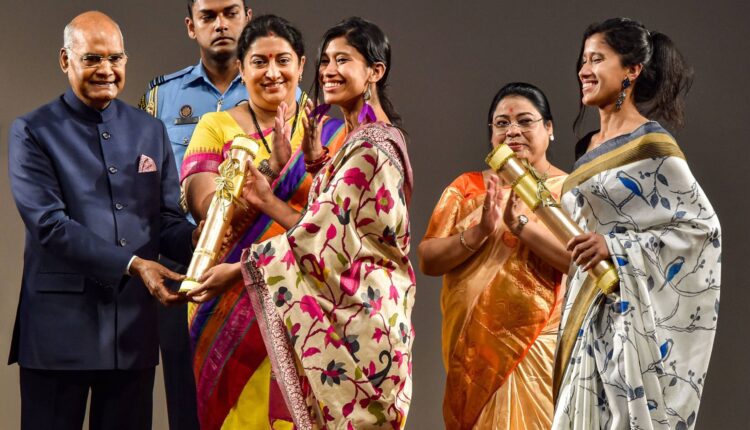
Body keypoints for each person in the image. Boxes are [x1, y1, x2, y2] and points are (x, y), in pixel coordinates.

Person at [7, 11, 198, 430]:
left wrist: (209, 236)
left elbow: (165, 221)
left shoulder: (150, 130)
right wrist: (133, 265)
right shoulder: (33, 131)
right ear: (65, 60)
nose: (107, 70)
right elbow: (50, 226)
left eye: (116, 58)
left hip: (132, 334)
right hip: (59, 335)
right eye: (92, 58)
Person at [238, 17, 415, 428]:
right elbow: (358, 221)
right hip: (369, 314)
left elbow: (321, 235)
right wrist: (318, 164)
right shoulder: (364, 140)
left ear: (375, 71)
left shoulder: (370, 148)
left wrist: (263, 202)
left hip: (364, 327)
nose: (329, 71)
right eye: (325, 61)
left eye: (343, 60)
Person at [552, 18, 721, 430]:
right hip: (583, 312)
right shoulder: (586, 149)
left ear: (632, 70)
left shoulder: (651, 145)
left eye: (597, 59)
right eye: (583, 60)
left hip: (629, 319)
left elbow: (701, 229)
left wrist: (615, 248)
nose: (584, 70)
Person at [181, 15, 346, 430]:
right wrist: (272, 170)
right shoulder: (217, 127)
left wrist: (308, 161)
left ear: (303, 64)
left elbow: (340, 223)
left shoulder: (329, 131)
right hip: (230, 295)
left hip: (310, 300)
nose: (272, 73)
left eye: (283, 60)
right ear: (241, 68)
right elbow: (206, 210)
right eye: (259, 62)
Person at [418, 82, 569, 430]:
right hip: (475, 354)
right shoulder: (468, 187)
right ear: (491, 135)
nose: (513, 131)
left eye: (525, 121)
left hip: (541, 349)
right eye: (501, 123)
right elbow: (428, 259)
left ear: (549, 129)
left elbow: (579, 264)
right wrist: (480, 232)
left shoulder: (571, 190)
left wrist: (522, 228)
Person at [138, 1, 251, 428]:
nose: (220, 24)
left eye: (230, 13)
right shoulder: (159, 96)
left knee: (258, 396)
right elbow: (143, 183)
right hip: (182, 264)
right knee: (187, 403)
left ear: (248, 17)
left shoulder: (283, 89)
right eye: (208, 16)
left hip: (253, 265)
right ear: (191, 26)